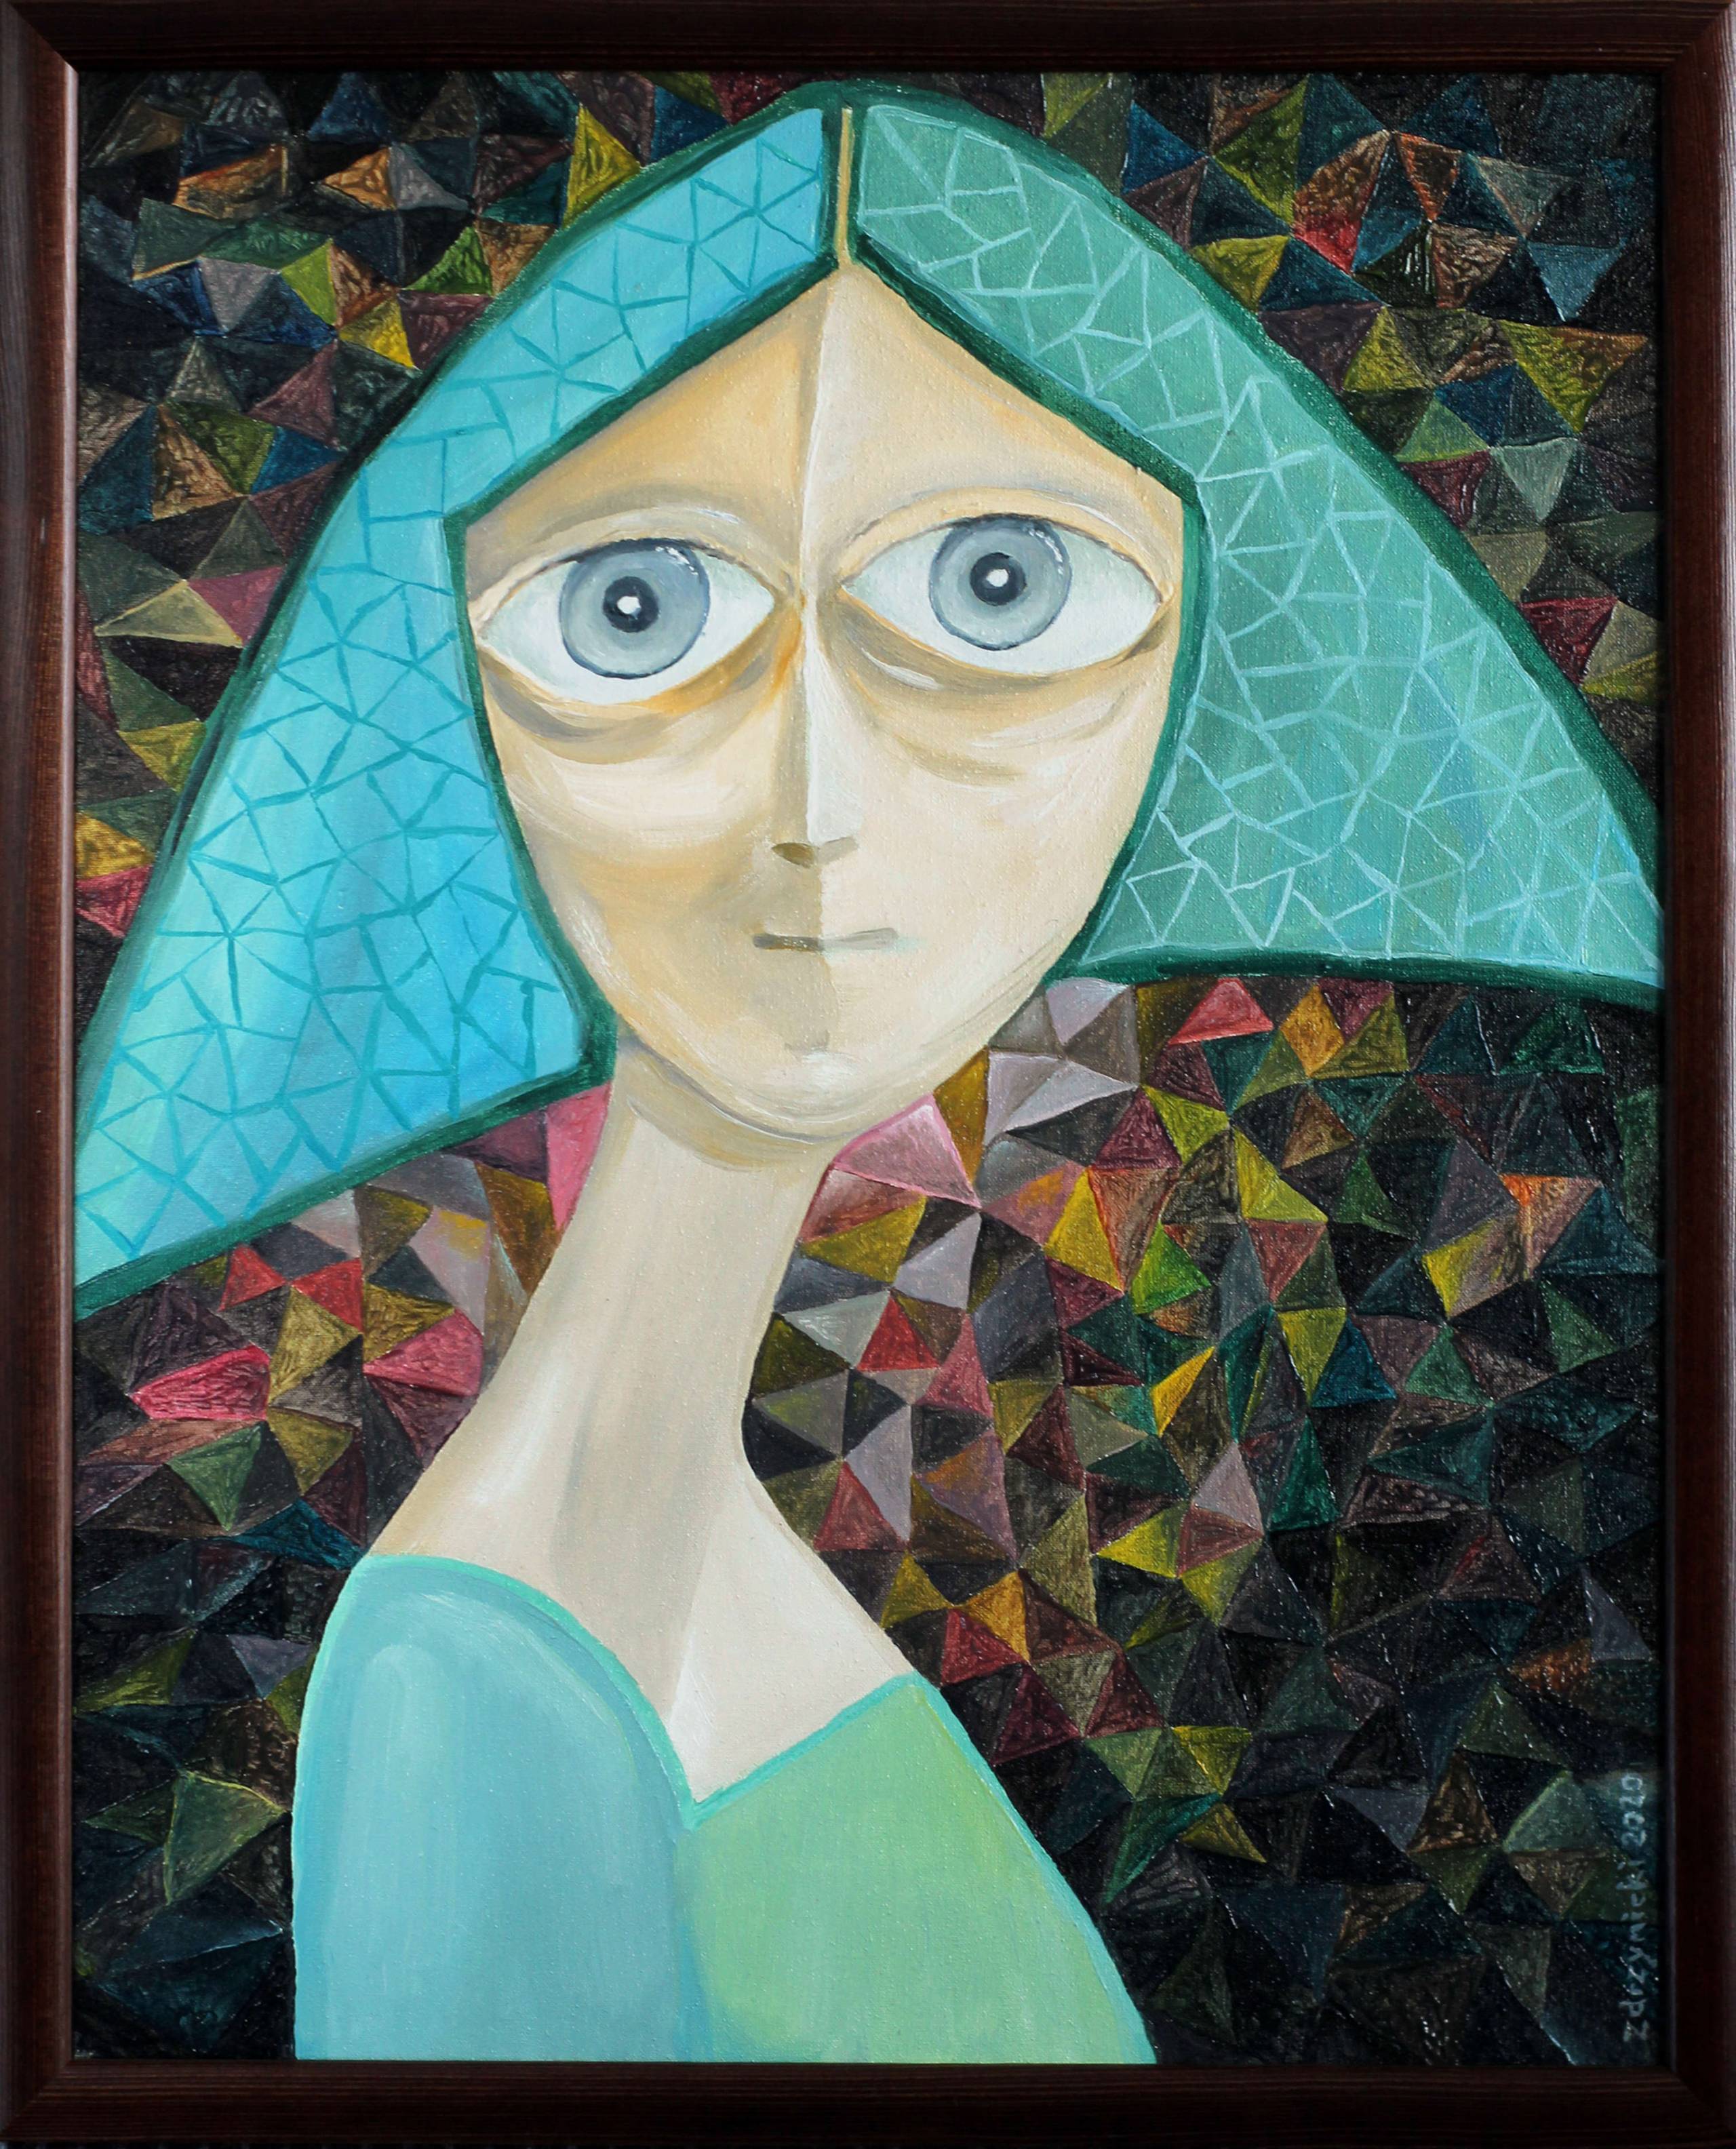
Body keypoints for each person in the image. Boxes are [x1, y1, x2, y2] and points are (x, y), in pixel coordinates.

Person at [73, 84, 1659, 2062]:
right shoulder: (482, 1693)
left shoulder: (618, 1586)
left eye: (999, 587)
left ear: (1197, 670)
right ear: (441, 702)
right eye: (636, 610)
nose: (814, 805)